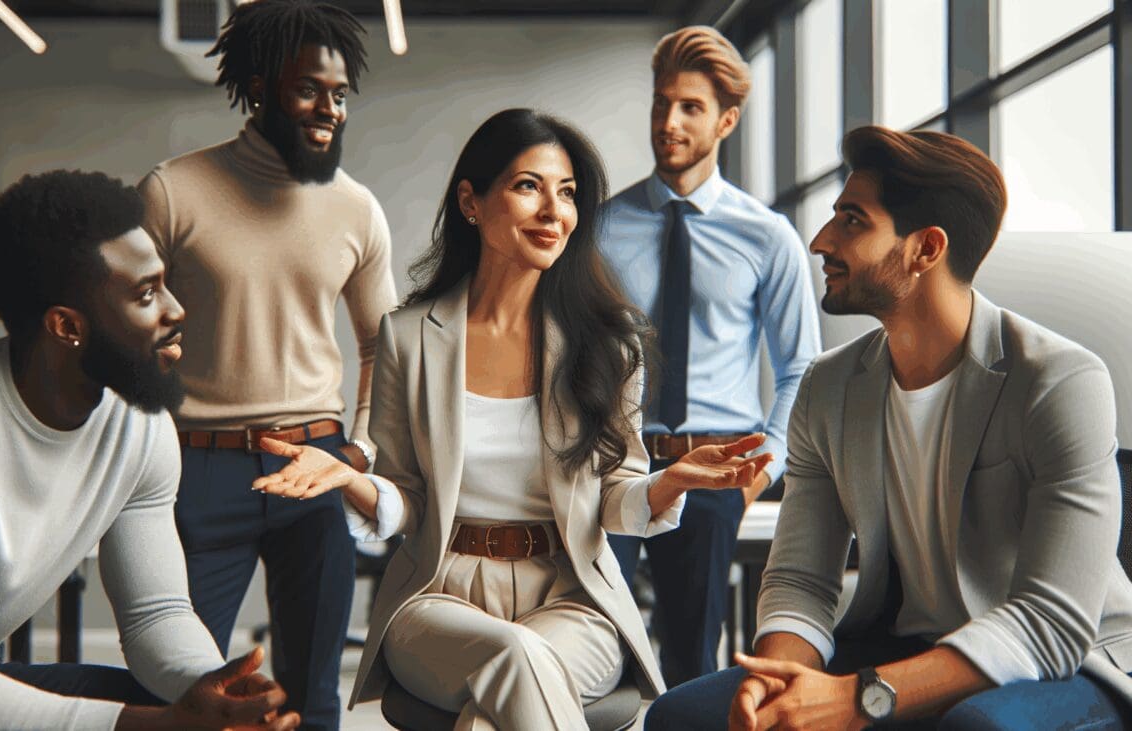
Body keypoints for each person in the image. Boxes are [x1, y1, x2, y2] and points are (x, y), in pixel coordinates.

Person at [251, 108, 774, 730]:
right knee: (518, 657)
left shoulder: (610, 344)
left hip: (573, 597)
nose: (555, 212)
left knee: (507, 685)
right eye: (529, 186)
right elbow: (409, 498)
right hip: (437, 598)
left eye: (568, 193)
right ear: (470, 202)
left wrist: (672, 481)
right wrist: (349, 478)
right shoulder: (409, 337)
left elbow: (614, 496)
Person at [645, 126, 1132, 730]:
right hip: (904, 644)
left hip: (1069, 663)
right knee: (682, 716)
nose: (821, 241)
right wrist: (778, 683)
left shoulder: (1059, 381)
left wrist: (859, 698)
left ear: (925, 249)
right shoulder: (827, 386)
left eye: (852, 221)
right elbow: (801, 578)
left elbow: (1050, 620)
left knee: (976, 728)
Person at [0, 170, 299, 731]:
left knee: (168, 708)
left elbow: (156, 613)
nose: (176, 310)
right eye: (146, 294)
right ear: (67, 326)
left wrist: (214, 695)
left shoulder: (141, 426)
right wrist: (156, 726)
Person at [137, 1, 397, 727]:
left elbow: (383, 347)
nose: (330, 109)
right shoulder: (172, 191)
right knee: (185, 692)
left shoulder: (356, 208)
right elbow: (129, 333)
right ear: (259, 88)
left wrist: (357, 453)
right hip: (197, 466)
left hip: (314, 463)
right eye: (309, 89)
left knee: (315, 696)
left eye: (340, 94)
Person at [600, 25, 821, 685]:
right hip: (616, 462)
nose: (668, 122)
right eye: (661, 103)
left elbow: (800, 368)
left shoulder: (767, 236)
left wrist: (760, 471)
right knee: (596, 646)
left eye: (690, 107)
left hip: (717, 469)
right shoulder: (600, 229)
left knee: (693, 662)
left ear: (726, 120)